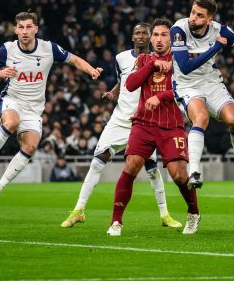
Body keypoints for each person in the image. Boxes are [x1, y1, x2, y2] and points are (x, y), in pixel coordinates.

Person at [0, 11, 103, 203]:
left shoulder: (49, 48)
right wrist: (1, 72)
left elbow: (74, 59)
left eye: (29, 27)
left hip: (34, 108)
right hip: (12, 100)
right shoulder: (7, 49)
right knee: (11, 123)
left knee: (30, 146)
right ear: (16, 30)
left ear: (36, 29)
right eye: (21, 27)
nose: (25, 31)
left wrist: (91, 70)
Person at [61, 23, 181, 229]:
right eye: (138, 33)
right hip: (120, 119)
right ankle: (78, 210)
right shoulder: (121, 58)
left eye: (145, 33)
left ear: (151, 38)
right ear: (132, 37)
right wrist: (113, 93)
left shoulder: (160, 60)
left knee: (152, 170)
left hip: (144, 121)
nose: (141, 36)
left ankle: (164, 215)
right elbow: (122, 80)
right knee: (97, 162)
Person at [108, 19, 199, 236]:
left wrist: (161, 96)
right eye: (155, 35)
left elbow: (187, 89)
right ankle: (116, 222)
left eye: (164, 35)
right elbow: (130, 85)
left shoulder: (181, 60)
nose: (159, 39)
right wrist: (151, 65)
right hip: (144, 124)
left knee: (178, 175)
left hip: (171, 125)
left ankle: (194, 213)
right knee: (131, 166)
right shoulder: (143, 59)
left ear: (172, 38)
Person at [170, 0, 234, 189]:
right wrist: (215, 47)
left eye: (199, 15)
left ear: (210, 20)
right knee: (201, 118)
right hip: (186, 85)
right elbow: (184, 66)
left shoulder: (220, 30)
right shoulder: (178, 30)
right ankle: (195, 171)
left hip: (212, 83)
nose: (193, 18)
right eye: (192, 12)